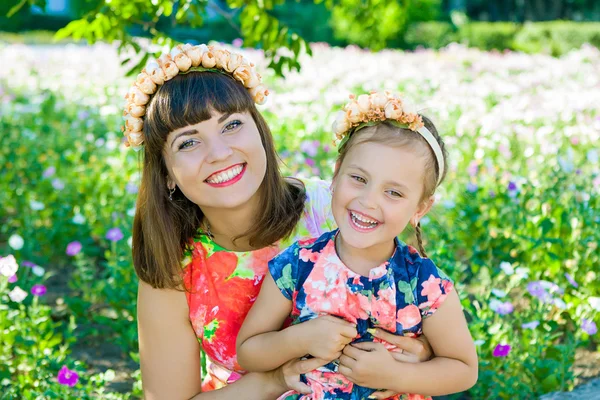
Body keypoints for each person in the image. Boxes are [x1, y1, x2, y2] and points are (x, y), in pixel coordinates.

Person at [126, 44, 434, 399]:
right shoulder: (174, 267)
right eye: (188, 142)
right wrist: (275, 380)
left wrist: (419, 352)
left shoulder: (331, 211)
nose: (220, 153)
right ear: (166, 174)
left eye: (232, 125)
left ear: (260, 129)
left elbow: (423, 318)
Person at [236, 92, 478, 399]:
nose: (368, 201)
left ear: (420, 208)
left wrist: (398, 375)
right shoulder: (298, 263)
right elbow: (249, 352)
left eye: (394, 193)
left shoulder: (423, 282)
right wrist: (300, 338)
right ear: (336, 174)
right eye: (359, 178)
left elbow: (463, 369)